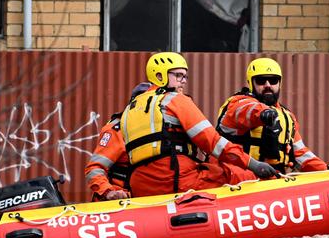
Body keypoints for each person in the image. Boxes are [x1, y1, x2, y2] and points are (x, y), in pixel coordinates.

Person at [87, 52, 278, 199]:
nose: (183, 82)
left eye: (184, 77)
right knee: (236, 174)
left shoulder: (127, 114)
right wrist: (254, 165)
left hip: (140, 187)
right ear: (160, 75)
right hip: (176, 178)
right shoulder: (176, 100)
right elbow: (213, 143)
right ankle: (273, 194)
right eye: (178, 76)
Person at [216, 57, 327, 174]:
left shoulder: (287, 116)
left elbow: (301, 153)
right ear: (250, 83)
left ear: (279, 83)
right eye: (261, 81)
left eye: (273, 80)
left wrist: (326, 170)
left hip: (273, 181)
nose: (267, 85)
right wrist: (264, 113)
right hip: (237, 181)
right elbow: (247, 110)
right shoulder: (238, 103)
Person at [85, 82, 150, 201]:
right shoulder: (116, 130)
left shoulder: (159, 130)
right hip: (118, 202)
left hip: (147, 201)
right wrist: (108, 192)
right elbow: (94, 168)